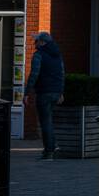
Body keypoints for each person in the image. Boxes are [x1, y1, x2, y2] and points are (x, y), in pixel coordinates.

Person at [25, 31, 65, 161]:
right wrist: (60, 92)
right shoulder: (57, 56)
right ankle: (53, 147)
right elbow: (62, 74)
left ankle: (49, 151)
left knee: (45, 122)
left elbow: (34, 74)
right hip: (55, 93)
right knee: (49, 121)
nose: (35, 43)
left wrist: (26, 92)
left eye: (37, 41)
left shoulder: (38, 55)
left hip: (44, 93)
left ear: (42, 42)